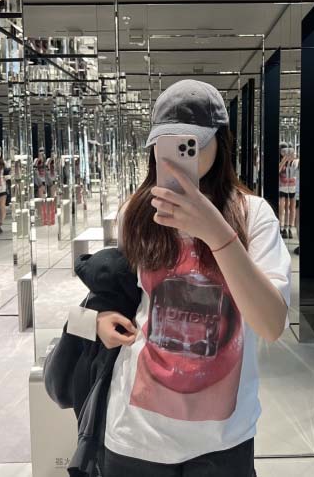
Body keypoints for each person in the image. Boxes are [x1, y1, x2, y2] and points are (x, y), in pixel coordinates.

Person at [95, 79, 291, 477]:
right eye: (165, 145)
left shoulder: (253, 214)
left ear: (220, 143)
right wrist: (100, 319)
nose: (177, 158)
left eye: (191, 145)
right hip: (135, 430)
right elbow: (125, 294)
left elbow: (271, 325)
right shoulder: (136, 212)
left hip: (222, 437)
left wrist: (217, 233)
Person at [278, 142, 298, 239]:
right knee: (281, 208)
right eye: (284, 151)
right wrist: (284, 160)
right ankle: (281, 227)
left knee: (291, 208)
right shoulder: (281, 161)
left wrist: (292, 158)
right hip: (282, 188)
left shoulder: (294, 161)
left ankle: (289, 228)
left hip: (292, 188)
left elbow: (296, 170)